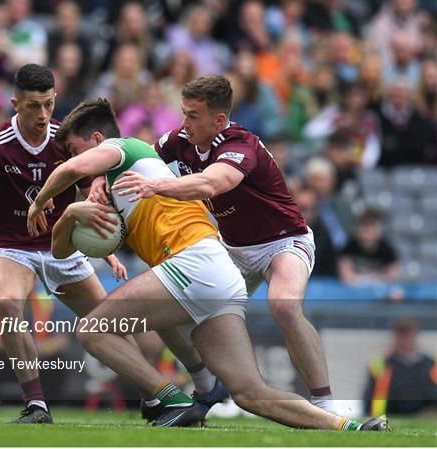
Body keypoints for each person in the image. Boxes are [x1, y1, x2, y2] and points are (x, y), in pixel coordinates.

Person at [27, 98, 389, 432]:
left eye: (73, 148)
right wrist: (71, 212)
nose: (70, 160)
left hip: (194, 261)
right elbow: (61, 252)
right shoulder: (117, 186)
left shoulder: (123, 148)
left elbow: (73, 168)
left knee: (93, 330)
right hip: (217, 273)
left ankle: (170, 397)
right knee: (250, 393)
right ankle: (348, 427)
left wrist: (39, 201)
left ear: (96, 140)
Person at [109, 75, 336, 413]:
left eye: (193, 116)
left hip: (283, 241)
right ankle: (206, 383)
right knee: (171, 300)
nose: (184, 123)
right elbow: (134, 154)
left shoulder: (240, 144)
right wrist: (101, 179)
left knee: (284, 307)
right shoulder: (179, 139)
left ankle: (325, 404)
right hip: (231, 247)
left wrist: (157, 185)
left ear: (219, 119)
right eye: (184, 113)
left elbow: (214, 183)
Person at [0, 64, 127, 424]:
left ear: (55, 99)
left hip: (62, 246)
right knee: (9, 305)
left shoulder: (65, 141)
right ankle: (36, 405)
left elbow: (92, 200)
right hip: (11, 246)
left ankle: (158, 396)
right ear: (16, 103)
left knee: (110, 320)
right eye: (32, 106)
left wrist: (107, 250)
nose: (42, 114)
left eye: (47, 104)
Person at [364, 316, 437, 416]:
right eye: (400, 334)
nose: (404, 338)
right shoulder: (382, 364)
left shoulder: (431, 364)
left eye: (407, 333)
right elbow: (370, 397)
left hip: (426, 415)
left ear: (415, 334)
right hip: (390, 415)